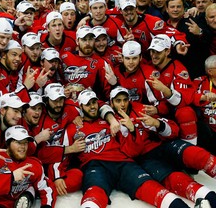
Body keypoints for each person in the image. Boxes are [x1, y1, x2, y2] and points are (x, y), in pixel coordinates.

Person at [64, 89, 193, 208]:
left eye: (94, 103)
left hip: (124, 163)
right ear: (80, 107)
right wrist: (69, 150)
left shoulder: (112, 121)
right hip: (95, 166)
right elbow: (60, 155)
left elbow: (132, 150)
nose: (92, 107)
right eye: (88, 104)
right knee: (95, 193)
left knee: (151, 187)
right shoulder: (73, 128)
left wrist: (132, 130)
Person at [109, 86, 216, 208]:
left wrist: (158, 124)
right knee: (176, 179)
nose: (122, 104)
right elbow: (131, 153)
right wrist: (132, 130)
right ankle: (210, 198)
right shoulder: (111, 122)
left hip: (163, 146)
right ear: (111, 103)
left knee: (196, 154)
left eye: (125, 100)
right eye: (118, 101)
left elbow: (174, 131)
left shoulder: (141, 108)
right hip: (145, 158)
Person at [147, 34, 198, 144]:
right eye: (152, 51)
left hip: (174, 111)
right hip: (157, 109)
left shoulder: (178, 69)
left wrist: (165, 90)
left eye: (158, 52)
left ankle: (189, 148)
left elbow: (182, 102)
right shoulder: (148, 67)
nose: (154, 55)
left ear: (167, 52)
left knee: (185, 113)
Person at [118, 0, 188, 60]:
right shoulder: (116, 20)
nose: (129, 12)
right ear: (120, 11)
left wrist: (178, 43)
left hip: (150, 62)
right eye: (126, 9)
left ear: (136, 8)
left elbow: (171, 32)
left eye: (131, 8)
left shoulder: (152, 22)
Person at [61, 25, 113, 102]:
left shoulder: (101, 63)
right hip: (68, 105)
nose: (88, 43)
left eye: (91, 39)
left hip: (91, 106)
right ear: (77, 41)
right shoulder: (65, 57)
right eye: (84, 40)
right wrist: (61, 92)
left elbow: (108, 94)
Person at [193, 55, 216, 155]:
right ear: (210, 71)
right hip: (208, 126)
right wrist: (203, 96)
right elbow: (190, 95)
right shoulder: (199, 82)